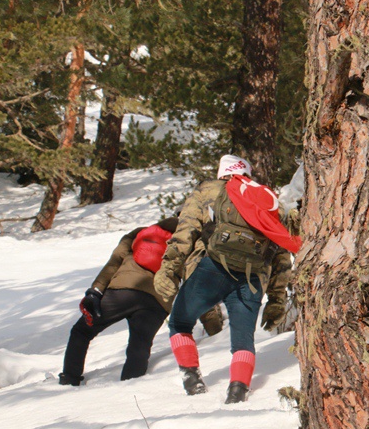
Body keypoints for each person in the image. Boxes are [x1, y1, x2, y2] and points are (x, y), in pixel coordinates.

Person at [153, 154, 301, 404]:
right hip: (253, 278)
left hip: (211, 269)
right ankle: (238, 390)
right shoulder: (268, 200)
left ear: (223, 172)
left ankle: (191, 377)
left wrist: (169, 269)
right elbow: (281, 253)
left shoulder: (208, 190)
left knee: (179, 323)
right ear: (248, 174)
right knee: (243, 340)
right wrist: (276, 299)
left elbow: (185, 232)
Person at [59, 218, 179, 386]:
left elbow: (115, 261)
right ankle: (128, 389)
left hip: (123, 291)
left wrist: (95, 291)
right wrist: (213, 328)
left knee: (82, 332)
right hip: (158, 301)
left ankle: (69, 379)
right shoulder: (187, 243)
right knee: (140, 347)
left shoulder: (140, 232)